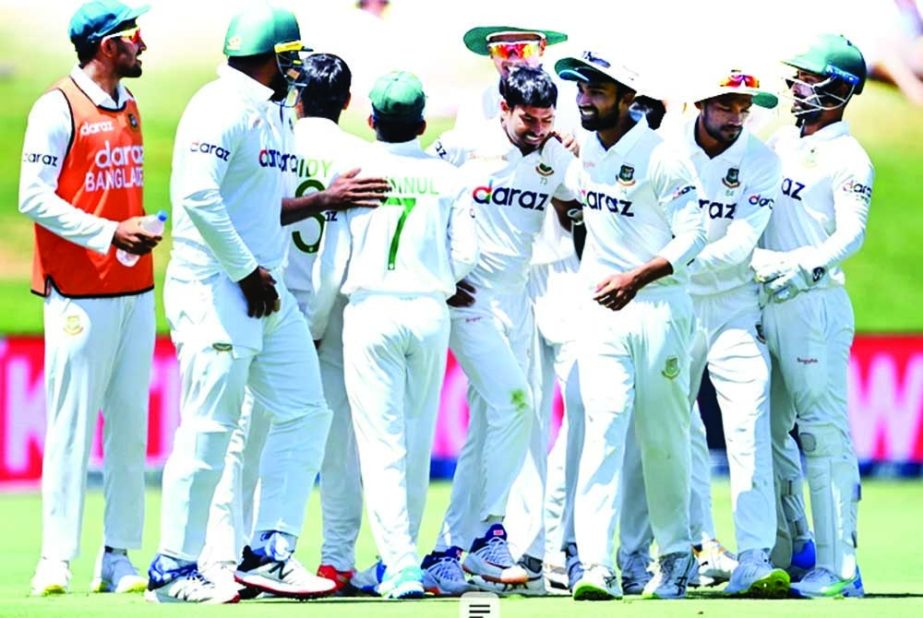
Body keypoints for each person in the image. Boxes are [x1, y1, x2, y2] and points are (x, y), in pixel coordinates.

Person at [144, 6, 340, 603]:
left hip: (264, 287)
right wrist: (245, 269)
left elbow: (260, 205)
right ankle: (172, 570)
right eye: (292, 57)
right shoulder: (219, 105)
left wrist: (264, 267)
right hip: (216, 287)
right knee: (208, 428)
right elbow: (196, 196)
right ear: (272, 58)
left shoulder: (275, 112)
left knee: (307, 411)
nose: (299, 68)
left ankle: (269, 553)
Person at [196, 52, 388, 595]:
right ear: (348, 102)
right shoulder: (361, 156)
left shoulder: (277, 140)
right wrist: (323, 316)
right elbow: (346, 252)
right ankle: (334, 560)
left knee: (244, 440)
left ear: (297, 96)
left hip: (266, 295)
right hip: (326, 313)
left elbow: (242, 208)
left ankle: (227, 556)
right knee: (332, 440)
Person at [615, 69, 791, 598]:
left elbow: (740, 244)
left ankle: (754, 556)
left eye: (745, 108)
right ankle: (659, 552)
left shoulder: (761, 160)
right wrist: (667, 270)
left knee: (748, 419)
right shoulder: (665, 152)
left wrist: (671, 263)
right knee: (660, 428)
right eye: (727, 106)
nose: (737, 117)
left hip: (734, 306)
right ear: (700, 104)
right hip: (675, 305)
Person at [554, 47, 707, 601]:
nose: (583, 98)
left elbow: (694, 236)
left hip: (660, 307)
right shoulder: (586, 147)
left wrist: (636, 277)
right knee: (603, 427)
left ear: (627, 99)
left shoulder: (663, 157)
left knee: (663, 438)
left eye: (596, 90)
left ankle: (674, 557)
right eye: (581, 89)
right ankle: (595, 564)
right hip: (601, 309)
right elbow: (570, 197)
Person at [422, 65, 580, 595]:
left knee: (489, 429)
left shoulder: (554, 153)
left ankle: (446, 551)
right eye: (528, 119)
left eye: (547, 119)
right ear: (503, 110)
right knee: (517, 404)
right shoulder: (462, 147)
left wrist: (580, 152)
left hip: (518, 300)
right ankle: (491, 533)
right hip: (470, 301)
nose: (538, 130)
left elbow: (585, 202)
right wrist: (441, 275)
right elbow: (418, 199)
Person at [19, 0, 159, 596]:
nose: (143, 46)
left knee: (129, 431)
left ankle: (119, 555)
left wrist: (135, 228)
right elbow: (32, 196)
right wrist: (108, 233)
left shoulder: (128, 103)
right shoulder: (56, 107)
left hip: (135, 288)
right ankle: (56, 559)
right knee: (72, 427)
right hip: (79, 291)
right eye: (134, 37)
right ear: (107, 47)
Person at [334, 71, 479, 599]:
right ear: (421, 123)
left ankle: (398, 566)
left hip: (371, 310)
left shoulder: (352, 168)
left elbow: (336, 256)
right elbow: (467, 256)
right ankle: (401, 558)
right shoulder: (448, 177)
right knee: (415, 439)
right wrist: (439, 278)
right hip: (428, 311)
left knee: (381, 444)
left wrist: (319, 316)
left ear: (371, 120)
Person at [753, 33, 872, 599]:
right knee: (768, 433)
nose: (795, 85)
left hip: (813, 303)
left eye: (806, 76)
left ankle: (841, 565)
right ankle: (793, 547)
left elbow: (851, 233)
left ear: (837, 88)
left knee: (822, 436)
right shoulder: (779, 141)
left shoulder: (850, 157)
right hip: (764, 300)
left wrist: (803, 265)